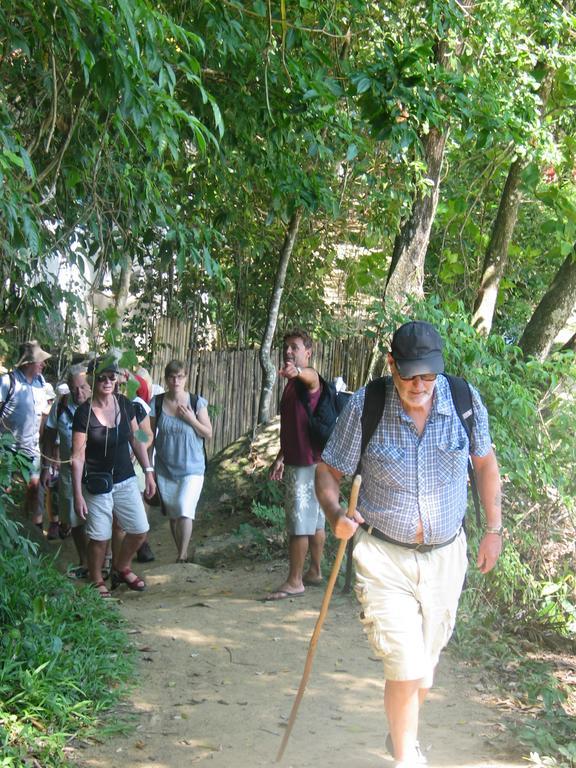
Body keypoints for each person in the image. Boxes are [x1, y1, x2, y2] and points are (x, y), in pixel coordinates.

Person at [316, 320, 503, 768]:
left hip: (446, 555)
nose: (419, 385)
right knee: (405, 664)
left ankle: (403, 732)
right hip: (383, 557)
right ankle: (406, 757)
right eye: (409, 374)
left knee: (424, 670)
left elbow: (485, 465)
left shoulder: (462, 400)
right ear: (391, 365)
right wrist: (336, 514)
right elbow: (328, 473)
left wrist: (494, 529)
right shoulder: (368, 405)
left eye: (427, 375)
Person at [71, 356, 156, 598]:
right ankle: (96, 579)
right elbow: (77, 457)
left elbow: (136, 438)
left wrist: (148, 471)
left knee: (140, 529)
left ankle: (122, 567)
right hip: (97, 482)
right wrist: (78, 495)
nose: (108, 382)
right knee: (100, 536)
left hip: (126, 478)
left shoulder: (124, 403)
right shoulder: (84, 413)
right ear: (93, 379)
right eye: (102, 378)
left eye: (112, 377)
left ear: (118, 379)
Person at [264, 329, 326, 601]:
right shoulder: (291, 384)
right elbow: (292, 426)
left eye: (295, 347)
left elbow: (312, 377)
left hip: (306, 463)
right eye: (286, 346)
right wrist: (280, 457)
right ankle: (314, 570)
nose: (288, 351)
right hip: (309, 460)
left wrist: (297, 372)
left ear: (308, 353)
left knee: (299, 522)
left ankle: (295, 580)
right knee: (315, 521)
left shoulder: (306, 378)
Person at [149, 360, 212, 563]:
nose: (176, 381)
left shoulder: (196, 402)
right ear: (166, 379)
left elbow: (208, 433)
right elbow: (148, 436)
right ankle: (180, 553)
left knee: (185, 507)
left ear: (186, 378)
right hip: (165, 468)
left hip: (192, 467)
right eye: (172, 377)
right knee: (174, 514)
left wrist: (191, 419)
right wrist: (147, 467)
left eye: (180, 376)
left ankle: (182, 555)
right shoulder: (156, 403)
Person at [41, 365, 92, 577]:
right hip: (69, 473)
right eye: (74, 389)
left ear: (90, 385)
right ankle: (85, 562)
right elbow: (49, 436)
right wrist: (46, 466)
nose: (78, 393)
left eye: (82, 388)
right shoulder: (61, 405)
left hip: (96, 473)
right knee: (75, 519)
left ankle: (105, 562)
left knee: (99, 518)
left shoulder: (100, 404)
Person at [0, 340, 51, 529]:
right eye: (40, 361)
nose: (43, 364)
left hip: (32, 448)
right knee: (6, 489)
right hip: (7, 448)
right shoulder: (7, 382)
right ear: (28, 363)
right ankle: (7, 528)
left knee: (35, 489)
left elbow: (43, 415)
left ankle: (35, 530)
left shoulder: (41, 384)